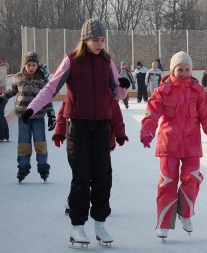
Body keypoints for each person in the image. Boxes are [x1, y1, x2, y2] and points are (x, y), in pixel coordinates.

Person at [20, 19, 130, 247]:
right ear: (85, 40)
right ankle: (77, 227)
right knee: (81, 178)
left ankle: (100, 223)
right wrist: (32, 109)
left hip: (101, 126)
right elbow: (51, 88)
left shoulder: (107, 62)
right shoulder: (71, 61)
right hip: (78, 126)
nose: (99, 44)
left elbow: (117, 96)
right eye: (95, 40)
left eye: (102, 40)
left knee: (102, 177)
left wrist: (123, 84)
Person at [140, 51, 207, 239]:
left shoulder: (198, 92)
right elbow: (152, 112)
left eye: (187, 69)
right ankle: (164, 223)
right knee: (167, 182)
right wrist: (147, 131)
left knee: (192, 178)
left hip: (191, 145)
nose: (184, 73)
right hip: (168, 145)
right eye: (180, 69)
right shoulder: (163, 91)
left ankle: (185, 213)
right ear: (173, 70)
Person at [53, 96, 128, 216]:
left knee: (100, 175)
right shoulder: (75, 94)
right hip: (80, 140)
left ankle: (99, 205)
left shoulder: (107, 96)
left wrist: (120, 134)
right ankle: (75, 202)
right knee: (81, 174)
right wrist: (59, 133)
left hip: (102, 141)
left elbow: (116, 117)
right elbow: (63, 114)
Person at [0, 52, 55, 183]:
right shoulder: (18, 78)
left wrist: (51, 115)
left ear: (37, 65)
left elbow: (47, 98)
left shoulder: (42, 79)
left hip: (38, 117)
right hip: (22, 117)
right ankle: (23, 169)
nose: (31, 67)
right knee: (23, 144)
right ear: (24, 65)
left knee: (40, 144)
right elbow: (10, 92)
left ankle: (43, 168)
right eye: (28, 65)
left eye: (34, 65)